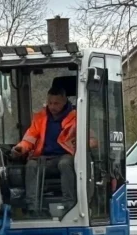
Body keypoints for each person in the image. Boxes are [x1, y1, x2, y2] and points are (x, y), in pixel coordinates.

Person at [13, 86, 95, 215]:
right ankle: (32, 208)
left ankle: (70, 204)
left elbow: (93, 140)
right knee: (31, 165)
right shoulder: (40, 118)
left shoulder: (77, 118)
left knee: (65, 163)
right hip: (44, 158)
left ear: (65, 101)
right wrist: (21, 148)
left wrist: (83, 144)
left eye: (56, 103)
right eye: (50, 103)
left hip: (66, 155)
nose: (52, 106)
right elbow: (30, 138)